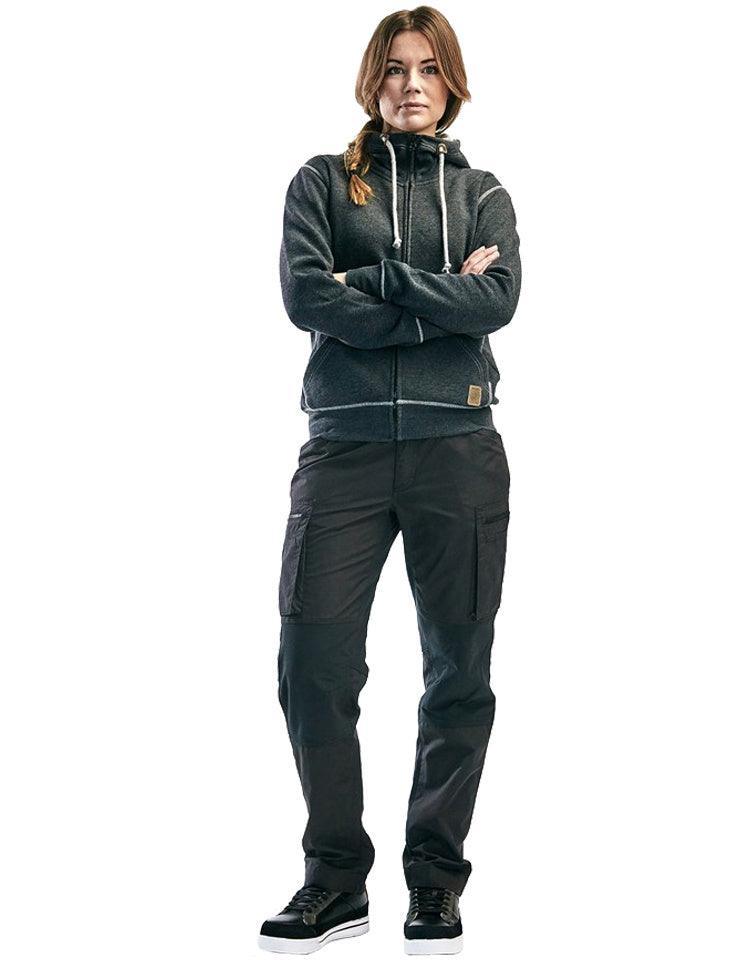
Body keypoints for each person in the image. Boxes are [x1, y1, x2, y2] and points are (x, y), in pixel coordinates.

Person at [258, 6, 522, 955]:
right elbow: (306, 297)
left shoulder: (484, 193)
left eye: (429, 68)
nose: (412, 85)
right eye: (396, 68)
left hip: (460, 449)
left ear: (452, 83)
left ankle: (435, 883)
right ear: (372, 80)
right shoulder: (322, 182)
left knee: (459, 672)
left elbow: (500, 300)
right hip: (345, 452)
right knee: (312, 666)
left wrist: (374, 281)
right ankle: (335, 881)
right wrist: (439, 290)